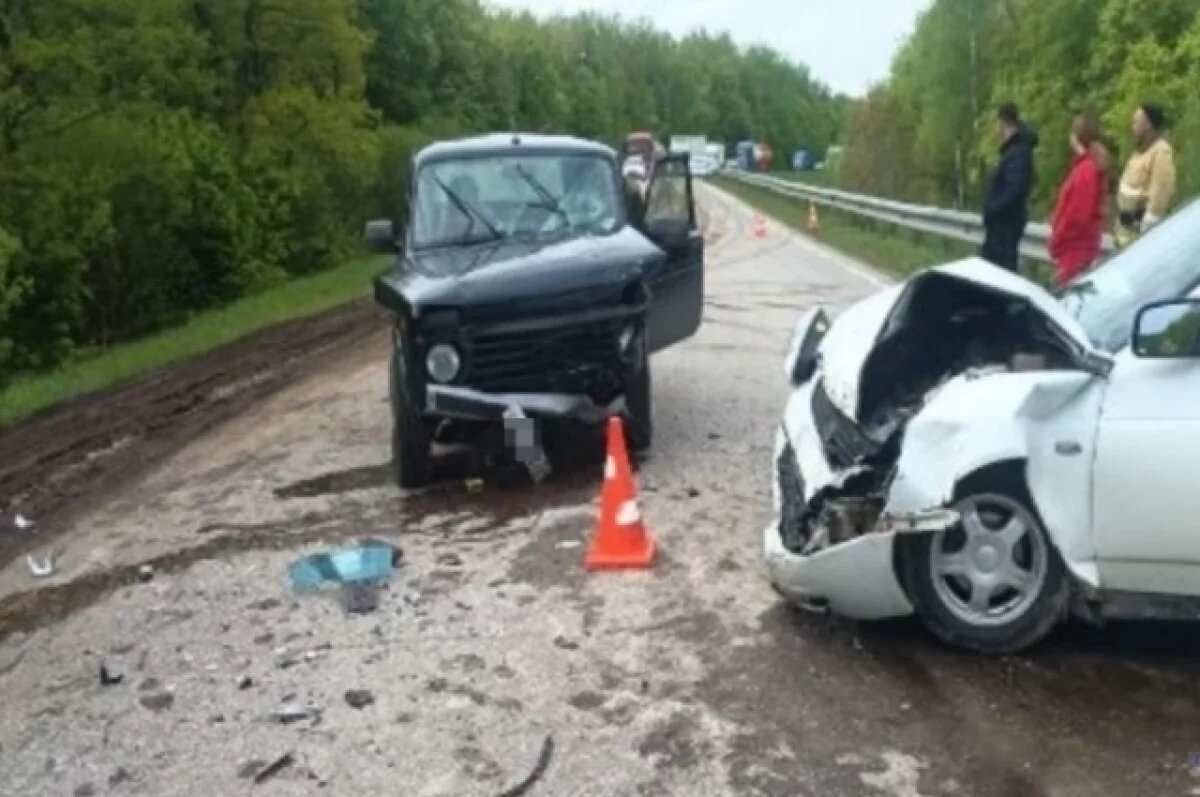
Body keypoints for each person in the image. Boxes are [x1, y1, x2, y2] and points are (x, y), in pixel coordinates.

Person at [1049, 113, 1110, 286]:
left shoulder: (1085, 171)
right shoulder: (1087, 167)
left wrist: (1058, 239)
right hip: (1079, 248)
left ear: (1075, 137)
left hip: (1075, 251)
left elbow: (1077, 215)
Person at [982, 102, 1039, 273]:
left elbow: (1015, 190)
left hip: (1005, 227)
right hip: (1000, 228)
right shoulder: (1012, 151)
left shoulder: (1018, 152)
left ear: (1003, 122)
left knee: (1001, 275)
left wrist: (993, 208)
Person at [1115, 102, 1177, 247]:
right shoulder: (1139, 152)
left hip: (1142, 233)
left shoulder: (1161, 153)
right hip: (1126, 231)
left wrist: (1147, 233)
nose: (1133, 126)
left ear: (1148, 125)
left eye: (1137, 121)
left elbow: (1159, 196)